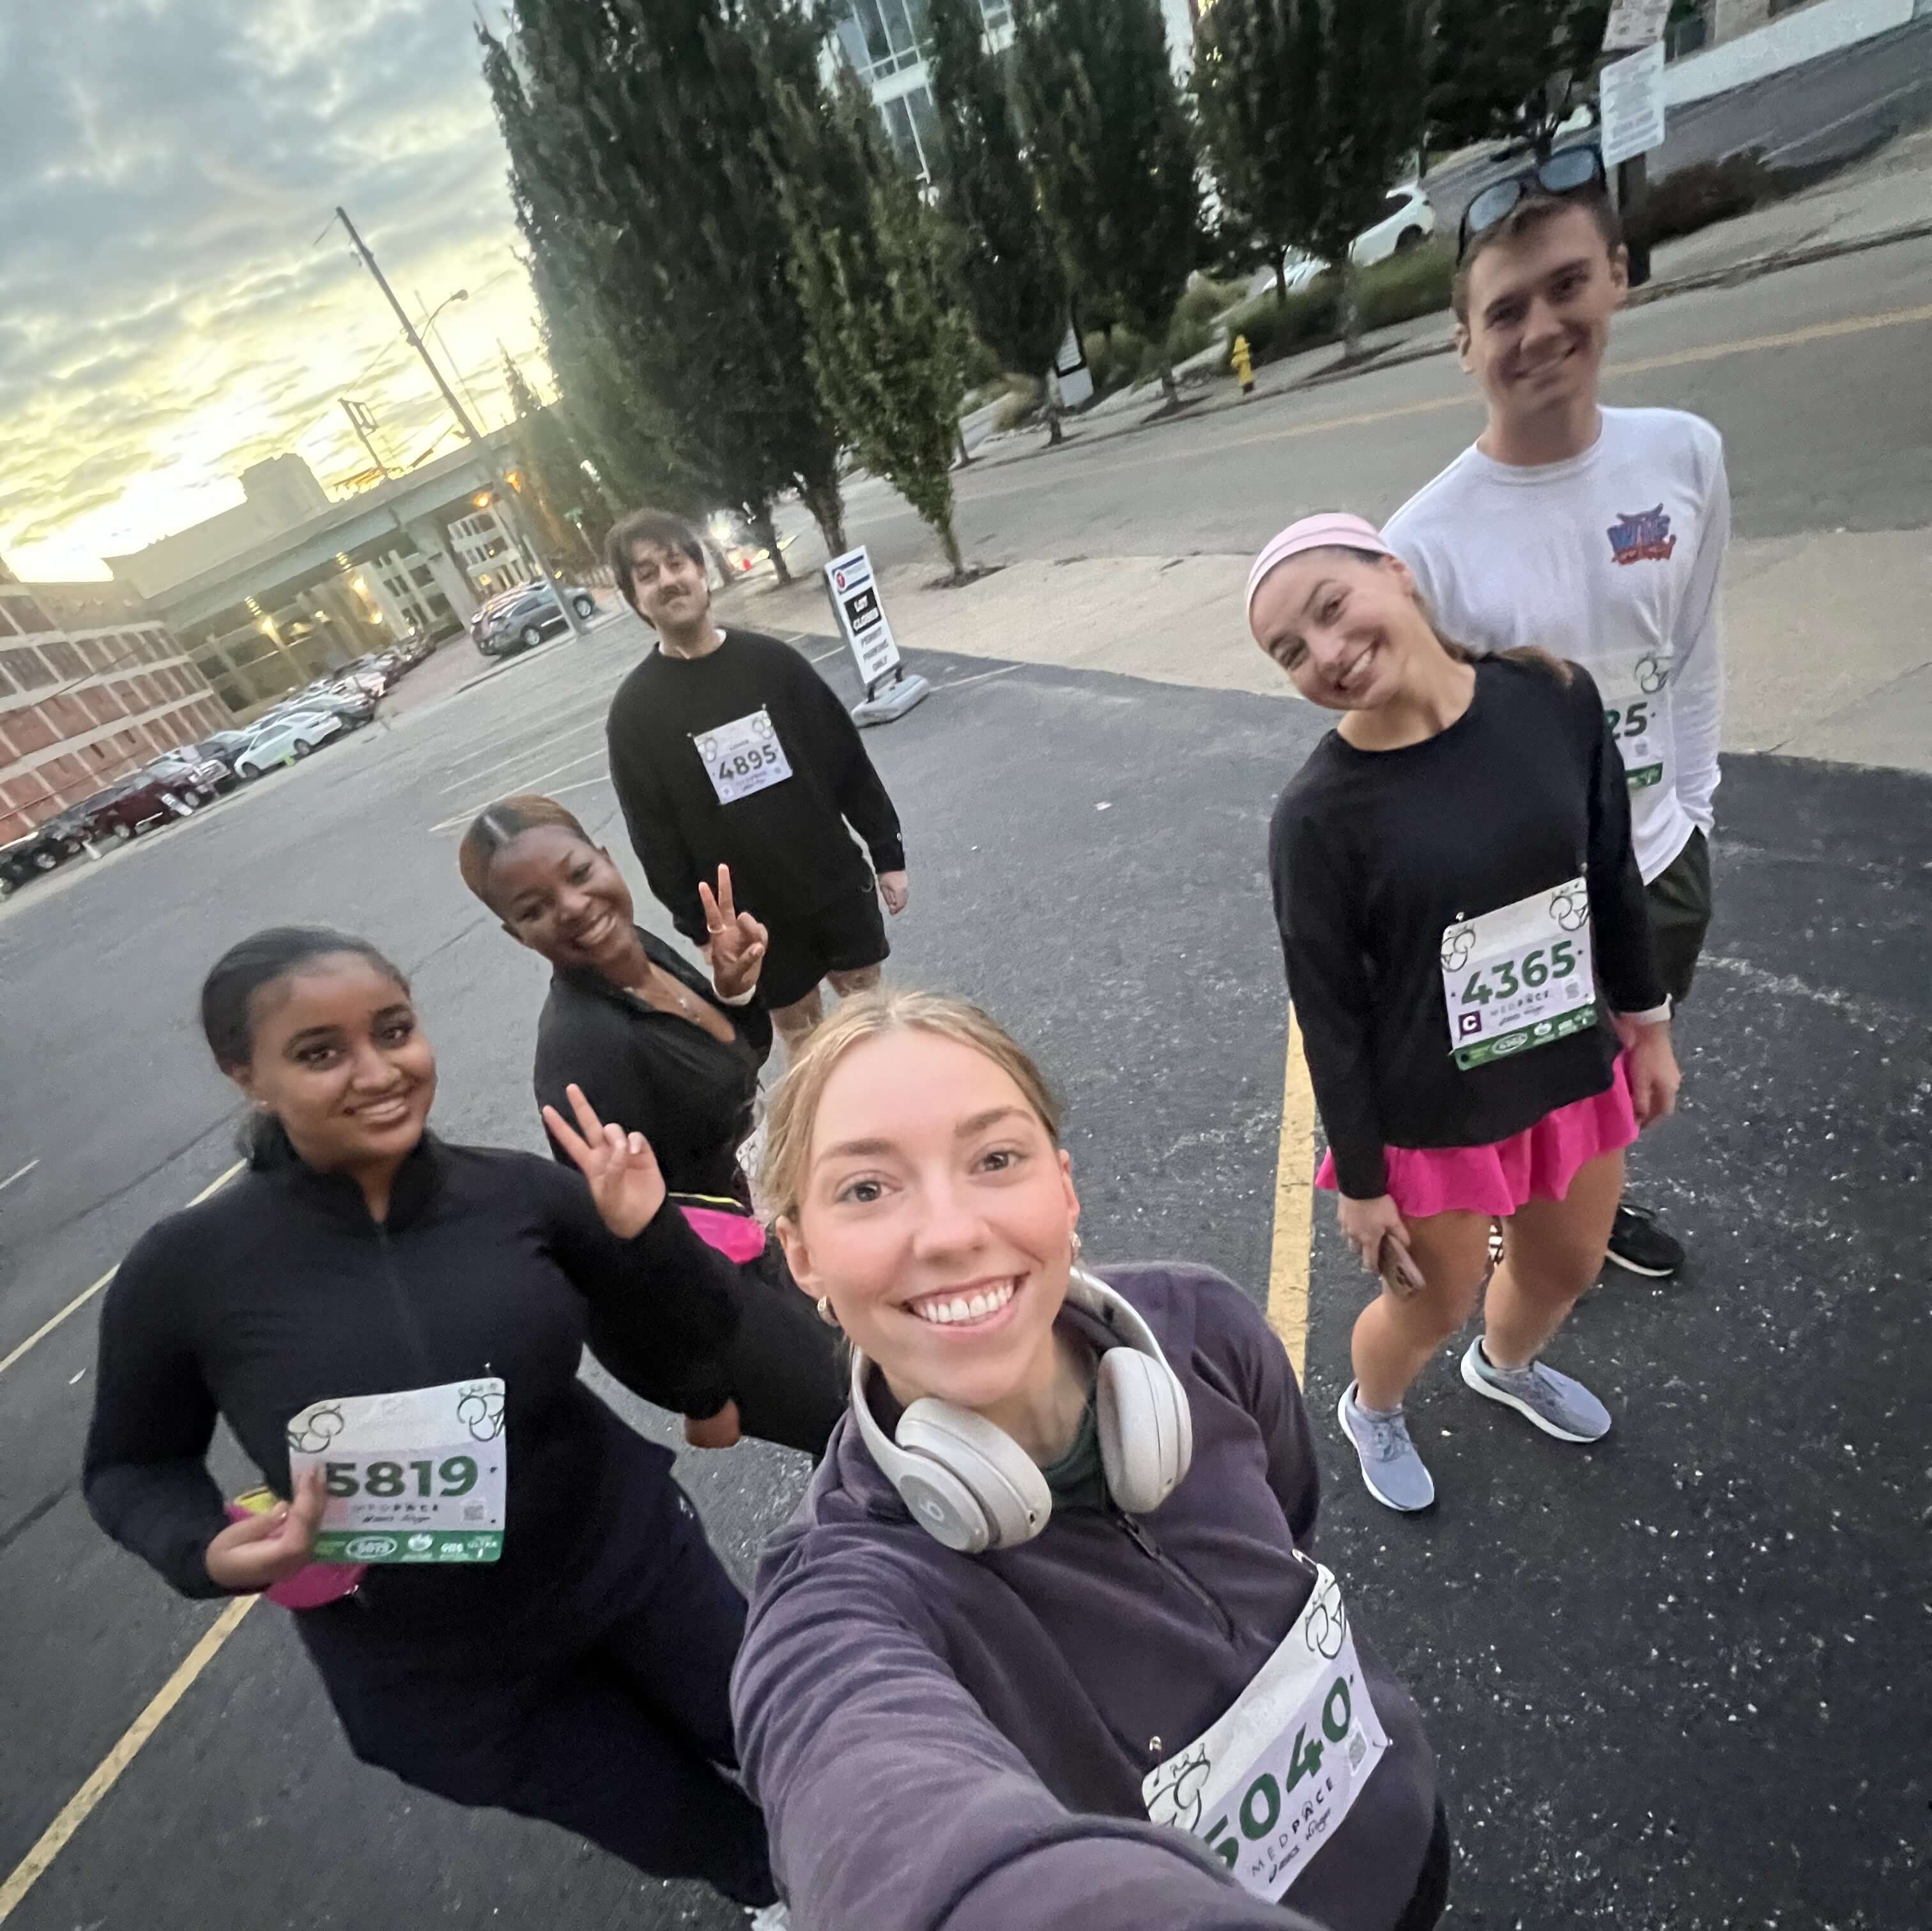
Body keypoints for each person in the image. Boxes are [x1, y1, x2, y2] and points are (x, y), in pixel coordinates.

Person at [82, 926, 783, 1920]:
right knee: (672, 1818)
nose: (378, 1072)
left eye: (394, 1030)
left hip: (629, 1565)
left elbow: (698, 1328)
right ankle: (775, 1888)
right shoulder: (187, 1267)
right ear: (247, 1074)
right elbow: (131, 1464)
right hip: (442, 1666)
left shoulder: (520, 1195)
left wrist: (649, 1231)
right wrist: (202, 1547)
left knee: (783, 1736)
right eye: (320, 1051)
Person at [732, 990, 1446, 1931]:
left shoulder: (1207, 1327)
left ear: (1064, 1189)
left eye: (996, 1158)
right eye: (866, 1188)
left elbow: (1291, 1515)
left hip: (1407, 1836)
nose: (950, 1231)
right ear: (803, 1255)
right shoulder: (839, 1603)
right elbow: (878, 1822)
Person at [1254, 512, 1679, 1515]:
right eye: (1291, 652)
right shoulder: (1317, 817)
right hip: (1432, 1115)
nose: (1326, 653)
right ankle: (1374, 1405)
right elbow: (1329, 1011)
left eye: (1332, 607)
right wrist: (1363, 1182)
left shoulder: (1551, 696)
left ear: (1397, 573)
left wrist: (1649, 1022)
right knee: (1429, 1301)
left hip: (1568, 1068)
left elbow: (1610, 870)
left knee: (1567, 1265)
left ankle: (1506, 1364)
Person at [1383, 146, 1729, 1282]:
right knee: (1529, 1099)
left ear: (1617, 276)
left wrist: (1694, 810)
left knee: (1623, 1074)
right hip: (1524, 904)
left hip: (1658, 859)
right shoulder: (1422, 543)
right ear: (1464, 341)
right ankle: (1529, 1220)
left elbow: (1691, 650)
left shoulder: (1683, 457)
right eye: (1504, 310)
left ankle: (1591, 1200)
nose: (1539, 328)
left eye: (1566, 286)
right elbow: (1419, 758)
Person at [459, 791, 846, 1458]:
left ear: (607, 859)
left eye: (579, 873)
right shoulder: (584, 1055)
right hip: (719, 1292)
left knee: (885, 1384)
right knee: (858, 1420)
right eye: (534, 908)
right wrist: (703, 1394)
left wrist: (733, 989)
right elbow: (618, 1253)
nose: (573, 907)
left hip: (763, 1214)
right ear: (516, 933)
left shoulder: (637, 949)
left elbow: (727, 1064)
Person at [602, 506, 910, 1057]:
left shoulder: (773, 664)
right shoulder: (635, 714)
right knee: (806, 1046)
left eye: (676, 563)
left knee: (875, 1029)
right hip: (752, 921)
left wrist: (887, 851)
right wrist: (701, 929)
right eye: (647, 574)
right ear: (634, 600)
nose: (667, 580)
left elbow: (845, 759)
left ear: (702, 571)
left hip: (834, 885)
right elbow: (654, 836)